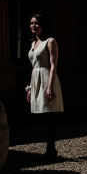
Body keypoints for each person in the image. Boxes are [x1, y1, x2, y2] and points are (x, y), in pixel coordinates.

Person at [26, 13, 64, 158]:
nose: (33, 26)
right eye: (31, 23)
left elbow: (53, 65)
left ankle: (51, 149)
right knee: (42, 116)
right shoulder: (32, 43)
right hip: (36, 80)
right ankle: (50, 148)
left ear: (43, 25)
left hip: (47, 78)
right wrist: (30, 88)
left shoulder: (50, 41)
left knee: (50, 115)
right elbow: (33, 68)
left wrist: (50, 86)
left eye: (36, 23)